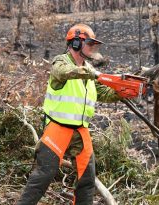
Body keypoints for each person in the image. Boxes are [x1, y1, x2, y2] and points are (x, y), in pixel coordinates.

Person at [17, 23, 120, 205]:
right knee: (44, 175)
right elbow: (63, 72)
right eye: (89, 44)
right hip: (58, 128)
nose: (93, 48)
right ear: (75, 44)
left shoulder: (89, 72)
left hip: (80, 132)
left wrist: (122, 92)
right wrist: (92, 73)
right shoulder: (61, 62)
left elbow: (104, 93)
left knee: (87, 180)